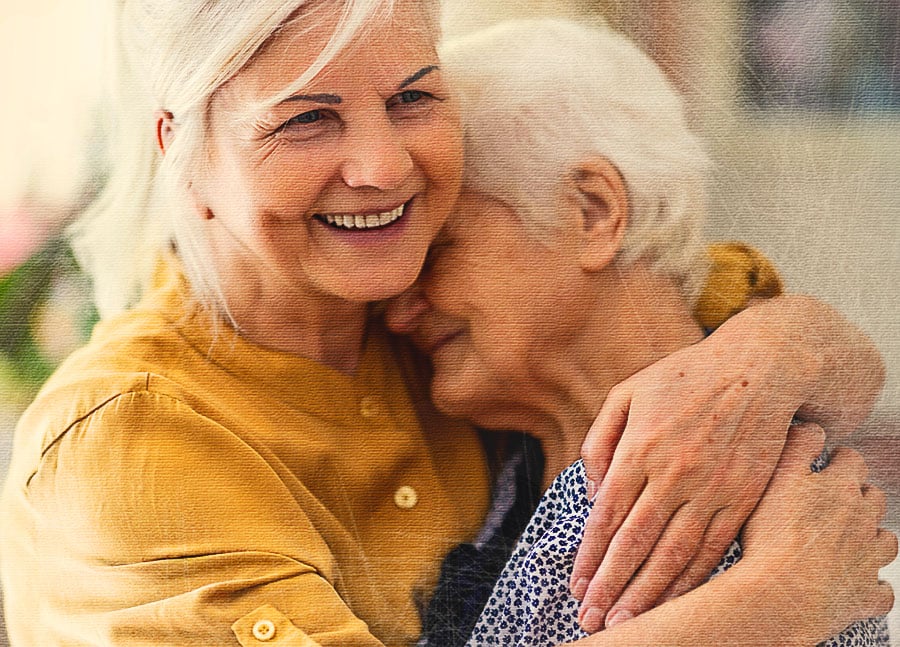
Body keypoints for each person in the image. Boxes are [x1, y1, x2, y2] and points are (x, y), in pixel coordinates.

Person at [0, 2, 889, 644]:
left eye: (414, 97)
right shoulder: (127, 440)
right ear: (181, 150)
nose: (384, 166)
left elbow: (731, 310)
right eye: (307, 118)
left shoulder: (416, 321)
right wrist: (780, 600)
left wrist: (778, 353)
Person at [385, 18, 896, 646]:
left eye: (436, 252)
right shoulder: (517, 462)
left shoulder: (728, 498)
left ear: (594, 212)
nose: (397, 311)